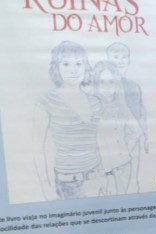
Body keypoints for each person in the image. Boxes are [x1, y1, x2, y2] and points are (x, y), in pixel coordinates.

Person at [32, 41, 105, 200]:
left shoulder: (95, 101)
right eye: (66, 64)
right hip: (69, 184)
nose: (73, 69)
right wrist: (46, 188)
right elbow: (38, 148)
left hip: (98, 177)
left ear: (85, 67)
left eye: (79, 63)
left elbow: (99, 142)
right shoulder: (46, 100)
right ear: (56, 68)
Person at [92, 61, 143, 195]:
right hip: (101, 168)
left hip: (123, 166)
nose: (107, 86)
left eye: (111, 82)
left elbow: (137, 131)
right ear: (96, 83)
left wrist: (125, 149)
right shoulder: (91, 105)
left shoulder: (121, 106)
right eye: (102, 82)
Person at [106, 42, 149, 157]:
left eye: (124, 57)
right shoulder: (106, 87)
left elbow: (141, 110)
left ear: (129, 61)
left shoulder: (134, 85)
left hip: (136, 139)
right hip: (116, 141)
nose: (121, 60)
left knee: (134, 173)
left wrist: (146, 134)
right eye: (116, 57)